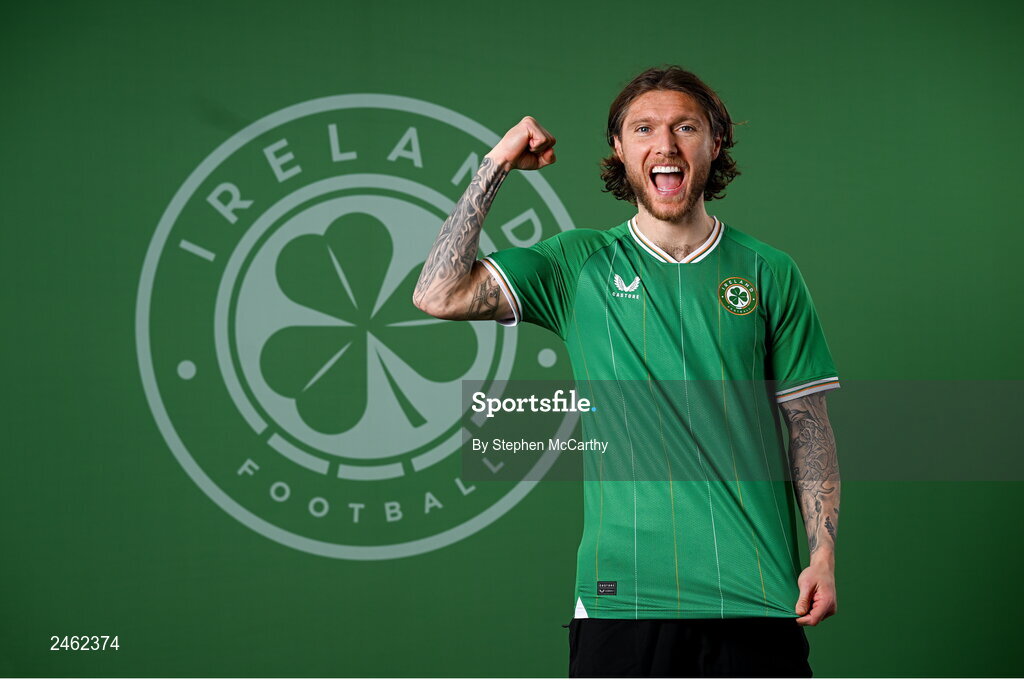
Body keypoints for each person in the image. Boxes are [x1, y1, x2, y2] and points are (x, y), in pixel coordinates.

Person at [413, 65, 841, 678]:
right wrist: (496, 165)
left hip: (757, 598)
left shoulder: (769, 271)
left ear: (714, 144)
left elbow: (808, 424)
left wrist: (823, 554)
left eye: (684, 127)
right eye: (643, 129)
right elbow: (438, 294)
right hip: (622, 601)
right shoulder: (576, 263)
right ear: (620, 149)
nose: (664, 146)